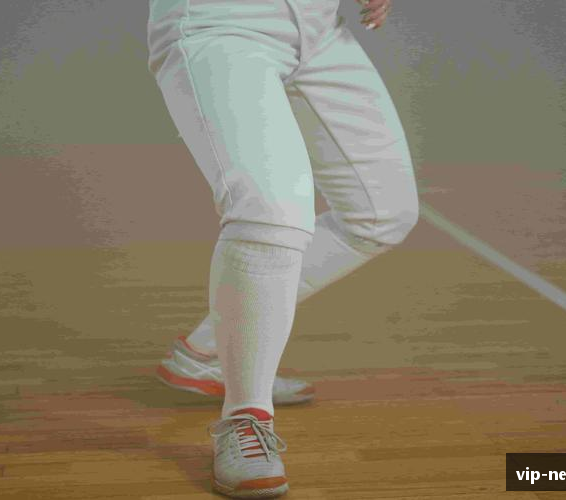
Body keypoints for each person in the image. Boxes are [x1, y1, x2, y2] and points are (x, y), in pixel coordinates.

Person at [147, 0, 416, 497]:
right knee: (269, 214)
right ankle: (245, 417)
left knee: (382, 214)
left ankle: (204, 352)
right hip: (222, 22)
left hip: (321, 28)